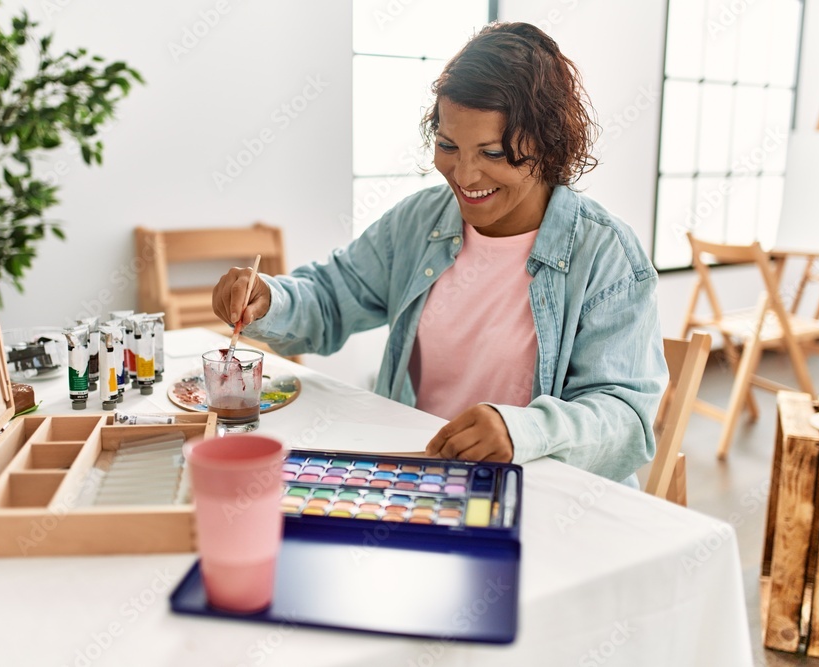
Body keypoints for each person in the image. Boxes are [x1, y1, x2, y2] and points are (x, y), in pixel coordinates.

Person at [211, 22, 666, 486]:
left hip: (545, 497)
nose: (465, 175)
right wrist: (270, 297)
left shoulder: (606, 254)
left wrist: (521, 432)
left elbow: (625, 418)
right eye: (448, 146)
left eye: (492, 153)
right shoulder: (420, 220)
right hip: (416, 482)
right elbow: (331, 296)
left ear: (547, 146)